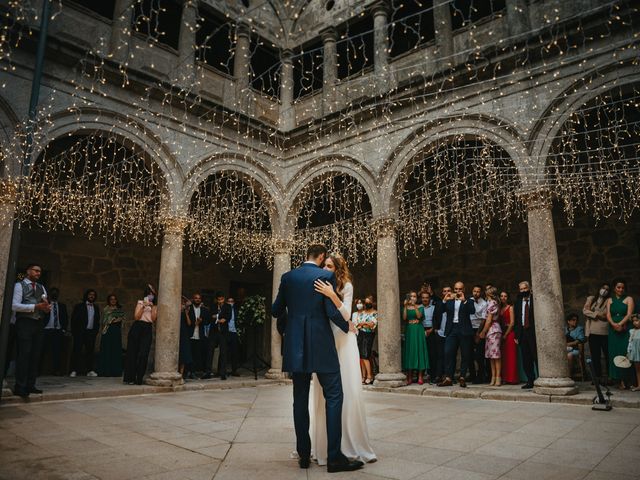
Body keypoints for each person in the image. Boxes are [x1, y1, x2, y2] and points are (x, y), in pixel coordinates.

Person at [271, 244, 363, 473]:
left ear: (306, 255)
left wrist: (287, 327)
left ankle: (304, 455)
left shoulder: (288, 277)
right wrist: (348, 327)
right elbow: (331, 312)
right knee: (334, 395)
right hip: (321, 345)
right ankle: (334, 458)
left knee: (299, 399)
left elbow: (275, 310)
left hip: (296, 347)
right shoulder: (325, 276)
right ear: (322, 256)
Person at [313, 252, 377, 466]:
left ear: (338, 269)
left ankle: (349, 443)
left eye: (330, 266)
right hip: (325, 338)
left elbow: (347, 315)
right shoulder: (318, 282)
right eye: (325, 265)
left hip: (343, 338)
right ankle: (324, 445)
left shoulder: (345, 286)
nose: (325, 269)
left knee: (346, 388)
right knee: (325, 392)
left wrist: (332, 294)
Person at [11, 263, 51, 398]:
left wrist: (46, 308)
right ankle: (20, 386)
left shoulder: (42, 287)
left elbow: (44, 303)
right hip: (25, 323)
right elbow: (14, 306)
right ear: (28, 271)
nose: (38, 273)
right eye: (35, 270)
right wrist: (34, 306)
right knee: (24, 354)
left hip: (38, 324)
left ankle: (30, 384)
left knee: (35, 355)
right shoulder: (19, 285)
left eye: (40, 271)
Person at [438, 282, 476, 388]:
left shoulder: (469, 300)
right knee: (448, 352)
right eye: (456, 289)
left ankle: (462, 377)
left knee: (465, 354)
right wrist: (444, 300)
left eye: (460, 289)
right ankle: (449, 378)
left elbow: (472, 311)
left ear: (464, 289)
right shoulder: (449, 300)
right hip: (452, 329)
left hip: (464, 329)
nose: (458, 291)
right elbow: (440, 311)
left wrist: (464, 300)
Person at [123, 285, 157, 385]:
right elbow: (136, 317)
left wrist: (152, 307)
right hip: (137, 327)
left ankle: (139, 377)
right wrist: (143, 306)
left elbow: (154, 319)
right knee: (132, 352)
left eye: (152, 294)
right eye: (149, 294)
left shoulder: (155, 306)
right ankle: (130, 378)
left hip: (147, 328)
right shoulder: (140, 302)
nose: (151, 295)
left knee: (143, 354)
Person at [606, 279, 635, 389]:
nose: (620, 289)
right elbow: (608, 314)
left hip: (625, 328)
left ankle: (627, 380)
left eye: (622, 287)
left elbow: (629, 314)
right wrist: (613, 324)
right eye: (618, 287)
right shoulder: (609, 300)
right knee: (614, 352)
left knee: (625, 352)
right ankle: (618, 380)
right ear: (614, 288)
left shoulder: (629, 299)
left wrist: (620, 324)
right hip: (613, 330)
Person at [583, 283, 610, 385]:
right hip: (592, 332)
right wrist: (597, 314)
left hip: (604, 332)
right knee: (595, 356)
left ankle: (608, 378)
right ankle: (597, 378)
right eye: (603, 288)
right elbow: (584, 311)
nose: (604, 290)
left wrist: (592, 313)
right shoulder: (592, 299)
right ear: (599, 288)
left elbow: (605, 316)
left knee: (607, 355)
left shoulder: (608, 300)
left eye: (607, 289)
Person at [70, 289, 100, 378]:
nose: (92, 296)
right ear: (86, 295)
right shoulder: (79, 306)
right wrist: (74, 332)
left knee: (90, 352)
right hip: (80, 332)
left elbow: (97, 321)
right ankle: (74, 370)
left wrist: (95, 331)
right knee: (76, 351)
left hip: (90, 333)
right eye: (90, 294)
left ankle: (90, 370)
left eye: (93, 295)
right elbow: (74, 320)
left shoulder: (96, 307)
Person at [514, 281, 536, 389]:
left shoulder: (535, 299)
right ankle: (530, 381)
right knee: (526, 359)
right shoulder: (518, 301)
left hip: (533, 332)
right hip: (522, 333)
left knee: (536, 356)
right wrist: (517, 335)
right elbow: (517, 319)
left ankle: (541, 379)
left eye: (525, 288)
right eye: (521, 289)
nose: (523, 291)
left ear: (529, 288)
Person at [40, 287, 68, 376]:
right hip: (46, 330)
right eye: (53, 292)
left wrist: (63, 329)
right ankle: (39, 370)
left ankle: (56, 370)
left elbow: (65, 318)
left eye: (56, 293)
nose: (54, 294)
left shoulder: (62, 306)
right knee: (42, 350)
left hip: (58, 331)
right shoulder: (45, 304)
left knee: (57, 352)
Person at [402, 290, 427, 385]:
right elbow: (404, 318)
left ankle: (420, 376)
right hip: (409, 330)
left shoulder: (420, 307)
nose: (413, 298)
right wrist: (405, 306)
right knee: (410, 351)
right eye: (411, 296)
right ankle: (409, 376)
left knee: (419, 351)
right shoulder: (405, 307)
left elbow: (419, 316)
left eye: (415, 296)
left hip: (418, 330)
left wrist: (414, 306)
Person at [97, 294, 124, 377]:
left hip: (116, 332)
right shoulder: (106, 309)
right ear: (109, 300)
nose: (113, 301)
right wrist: (114, 319)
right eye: (111, 299)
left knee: (115, 350)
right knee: (107, 350)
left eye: (115, 299)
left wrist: (114, 320)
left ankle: (115, 371)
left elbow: (121, 319)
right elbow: (105, 321)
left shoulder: (119, 310)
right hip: (107, 331)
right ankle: (105, 371)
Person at [479, 286, 502, 386]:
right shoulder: (489, 303)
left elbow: (489, 320)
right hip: (490, 330)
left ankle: (498, 377)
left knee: (496, 355)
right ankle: (493, 377)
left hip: (493, 330)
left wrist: (483, 332)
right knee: (491, 356)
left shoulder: (493, 303)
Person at [354, 295, 377, 384]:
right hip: (361, 334)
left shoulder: (375, 313)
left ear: (372, 303)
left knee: (365, 355)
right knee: (361, 356)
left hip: (369, 335)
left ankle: (369, 376)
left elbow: (372, 325)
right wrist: (365, 324)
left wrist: (363, 324)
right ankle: (363, 376)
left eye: (369, 302)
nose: (367, 304)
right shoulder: (362, 313)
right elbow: (358, 324)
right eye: (366, 302)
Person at [187, 293, 211, 378]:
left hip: (200, 335)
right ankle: (190, 372)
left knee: (199, 354)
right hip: (190, 334)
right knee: (190, 354)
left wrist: (201, 321)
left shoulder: (205, 310)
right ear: (193, 299)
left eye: (199, 298)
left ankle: (197, 371)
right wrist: (195, 323)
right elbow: (186, 322)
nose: (197, 299)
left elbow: (208, 321)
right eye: (196, 298)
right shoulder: (189, 309)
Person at [432, 286, 452, 383]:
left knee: (450, 355)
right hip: (440, 332)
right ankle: (438, 375)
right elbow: (436, 314)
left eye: (449, 291)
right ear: (442, 293)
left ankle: (449, 376)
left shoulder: (454, 303)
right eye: (445, 291)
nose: (447, 293)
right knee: (440, 355)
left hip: (450, 333)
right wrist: (435, 328)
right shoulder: (440, 303)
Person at [470, 285, 488, 384]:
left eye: (478, 291)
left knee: (479, 355)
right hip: (469, 328)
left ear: (481, 293)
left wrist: (478, 333)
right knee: (470, 354)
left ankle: (481, 376)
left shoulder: (484, 303)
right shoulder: (469, 301)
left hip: (478, 329)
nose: (476, 293)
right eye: (474, 291)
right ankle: (472, 375)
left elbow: (483, 319)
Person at [218, 296, 240, 377]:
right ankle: (222, 372)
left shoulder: (236, 310)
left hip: (234, 332)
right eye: (229, 301)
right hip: (226, 332)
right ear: (227, 302)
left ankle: (234, 370)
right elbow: (220, 317)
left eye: (232, 301)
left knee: (234, 352)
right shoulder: (224, 309)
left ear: (234, 302)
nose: (230, 302)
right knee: (224, 352)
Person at [499, 291, 518, 384]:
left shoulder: (510, 307)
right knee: (503, 357)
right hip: (501, 332)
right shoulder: (499, 308)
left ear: (508, 297)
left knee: (510, 356)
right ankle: (504, 378)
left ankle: (512, 378)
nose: (503, 298)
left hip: (509, 333)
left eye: (505, 296)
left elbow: (512, 322)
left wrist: (505, 335)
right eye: (501, 296)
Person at [209, 292, 229, 380]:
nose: (220, 301)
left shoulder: (227, 307)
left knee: (223, 353)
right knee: (210, 351)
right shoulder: (213, 306)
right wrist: (220, 317)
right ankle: (208, 371)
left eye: (221, 299)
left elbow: (228, 317)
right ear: (216, 299)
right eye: (218, 299)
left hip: (223, 332)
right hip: (214, 331)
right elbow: (211, 316)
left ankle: (222, 373)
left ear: (224, 299)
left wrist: (217, 316)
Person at [419, 290, 437, 383]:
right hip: (420, 331)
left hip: (431, 330)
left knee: (432, 354)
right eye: (423, 297)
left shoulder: (434, 308)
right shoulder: (418, 308)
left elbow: (436, 320)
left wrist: (431, 330)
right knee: (421, 353)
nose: (425, 299)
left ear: (430, 299)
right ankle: (421, 375)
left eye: (427, 297)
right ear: (421, 299)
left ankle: (432, 375)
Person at [179, 298, 193, 378]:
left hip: (184, 334)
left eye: (183, 304)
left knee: (184, 355)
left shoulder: (185, 313)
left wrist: (186, 313)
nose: (182, 306)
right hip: (177, 334)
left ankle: (181, 374)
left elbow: (189, 323)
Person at [627, 314, 640, 391]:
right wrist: (628, 352)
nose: (635, 322)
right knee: (638, 370)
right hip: (636, 353)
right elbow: (630, 343)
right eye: (633, 321)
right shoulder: (632, 331)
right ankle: (639, 385)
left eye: (637, 320)